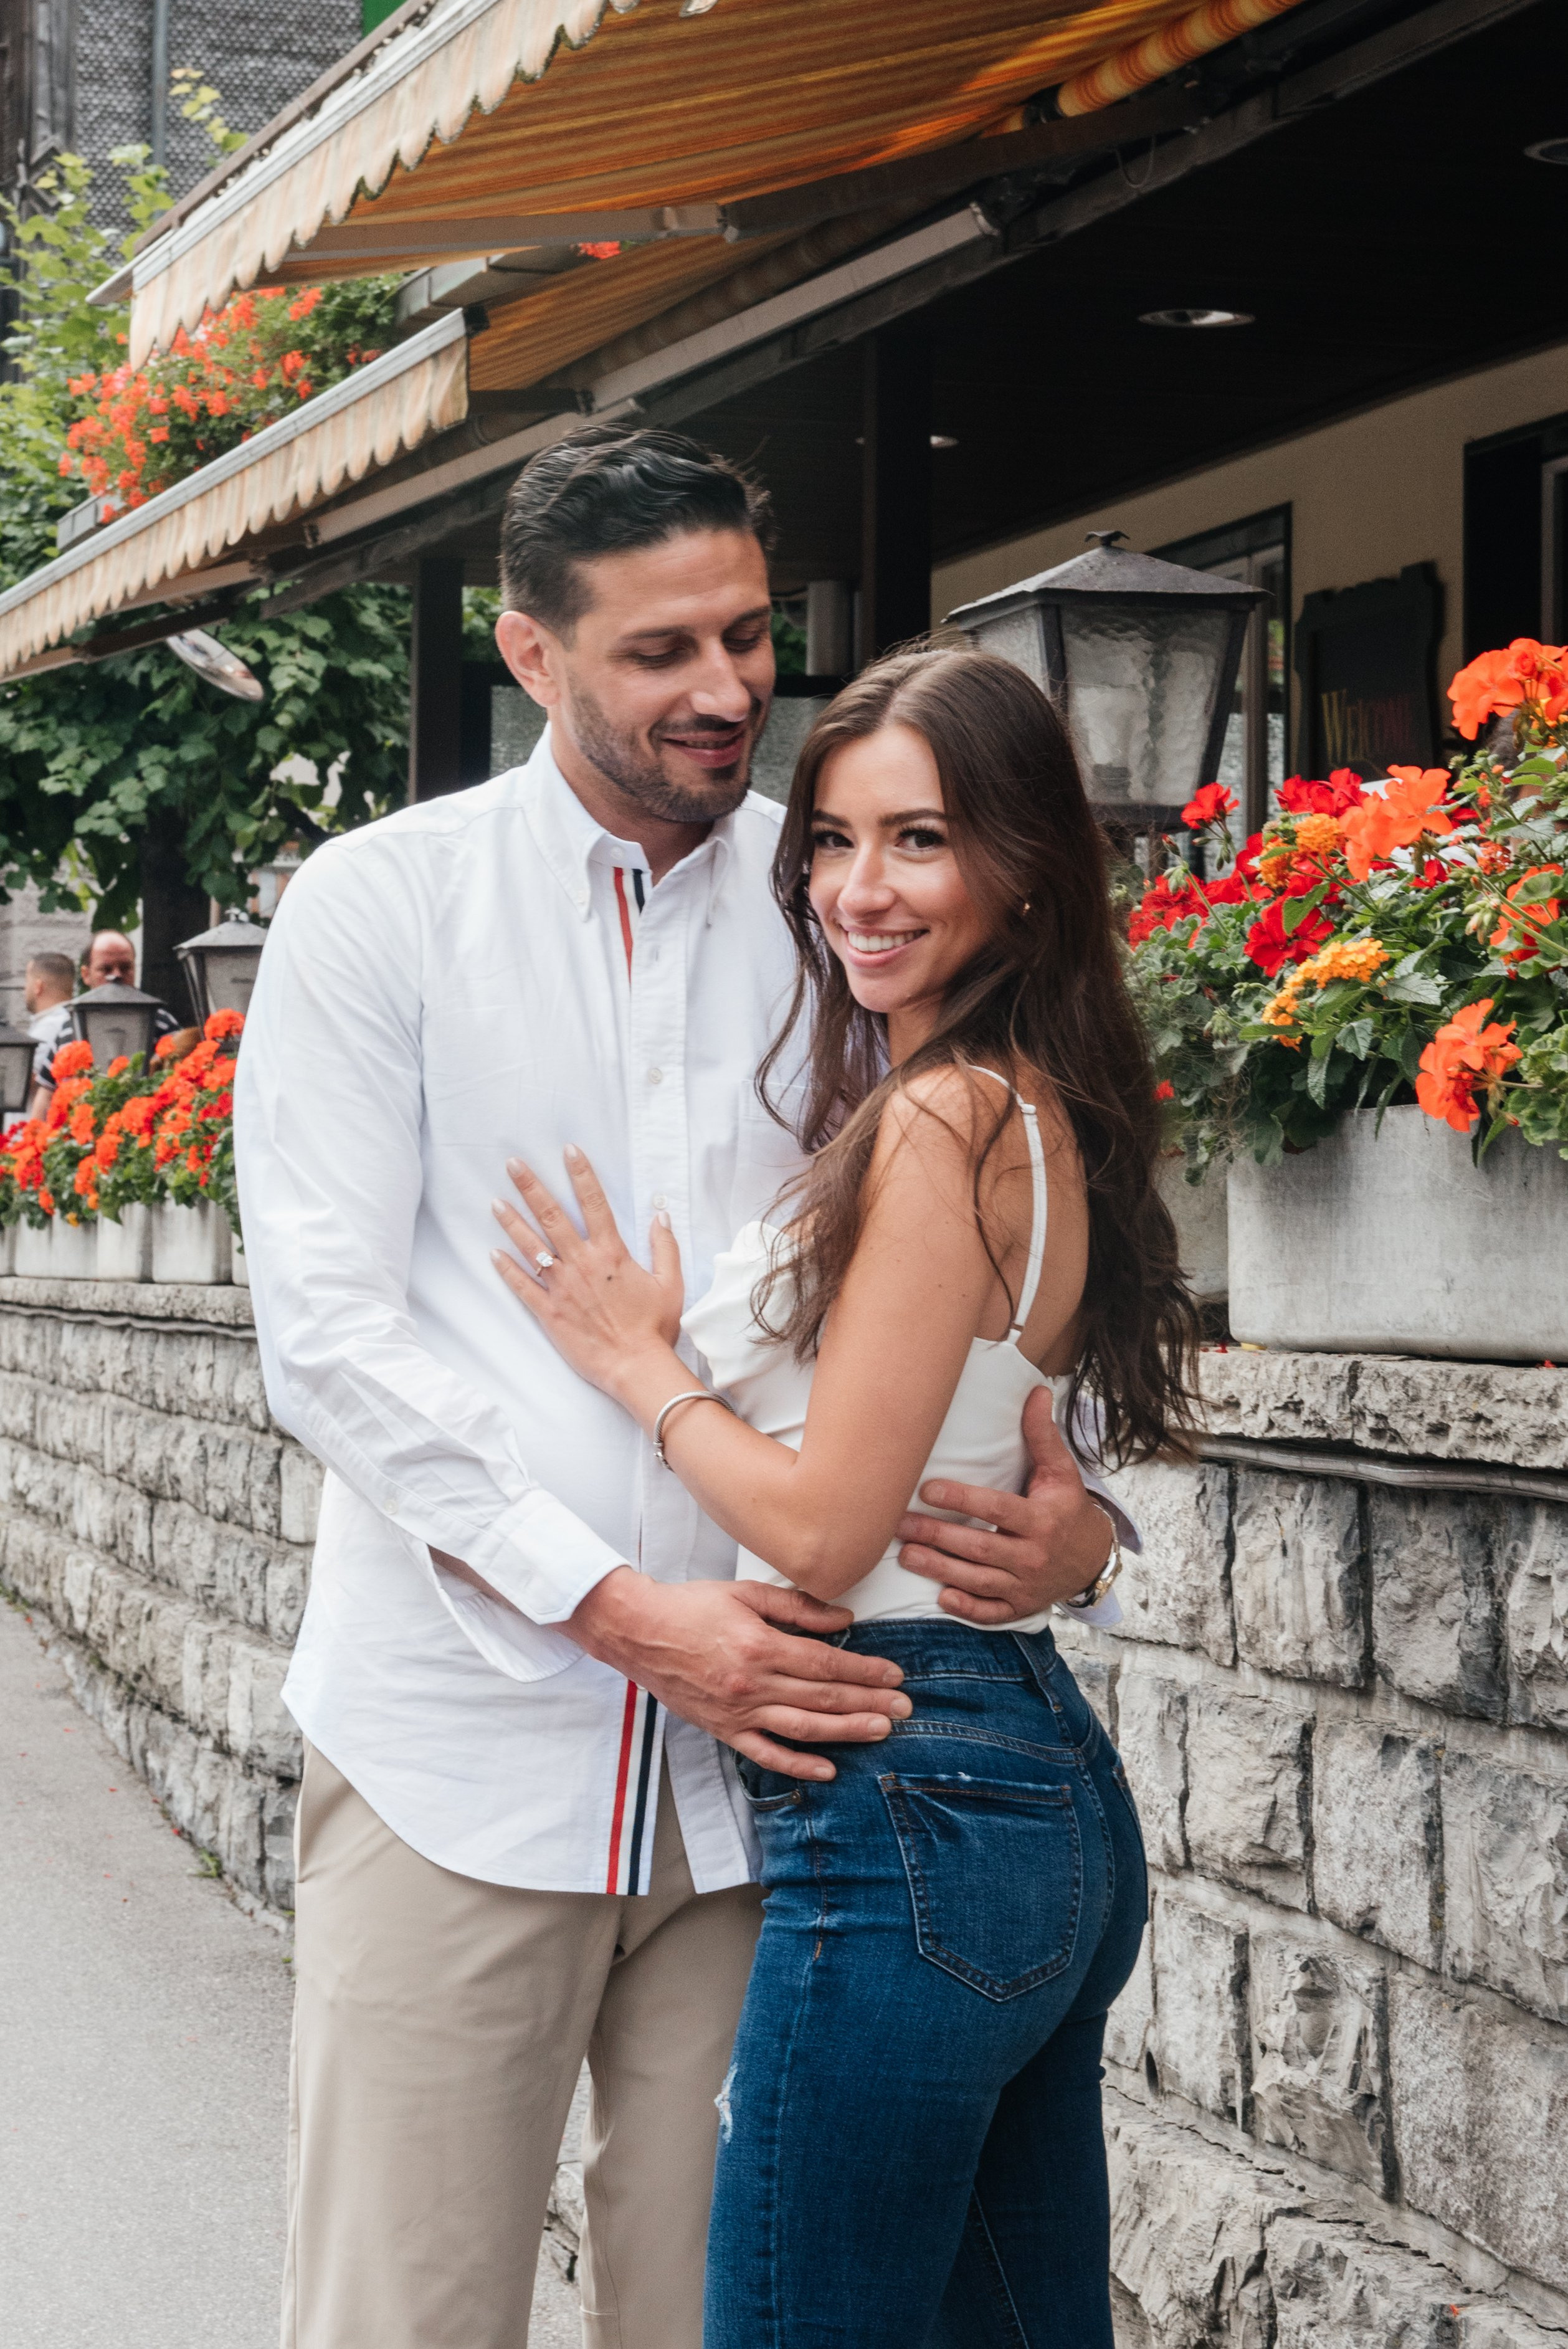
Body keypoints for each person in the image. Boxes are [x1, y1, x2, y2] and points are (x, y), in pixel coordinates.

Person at [234, 426, 1134, 2349]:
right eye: (659, 650)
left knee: (711, 2316)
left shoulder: (839, 909)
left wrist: (1083, 1514)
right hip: (456, 1745)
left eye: (746, 632)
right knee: (403, 2311)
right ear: (530, 652)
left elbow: (980, 1248)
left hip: (785, 1783)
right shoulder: (378, 907)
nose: (726, 687)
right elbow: (326, 1335)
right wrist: (625, 1610)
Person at [491, 644, 1197, 2347]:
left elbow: (820, 1529)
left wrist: (635, 1361)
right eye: (832, 839)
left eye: (918, 843)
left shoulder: (943, 1119)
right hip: (1007, 1776)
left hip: (908, 1797)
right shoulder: (1012, 1101)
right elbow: (1000, 1452)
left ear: (1021, 872)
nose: (854, 891)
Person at [27, 928, 180, 1114]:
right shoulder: (69, 1027)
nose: (116, 975)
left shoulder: (160, 1022)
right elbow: (46, 1094)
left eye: (125, 968)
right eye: (106, 969)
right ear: (86, 974)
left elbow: (182, 1081)